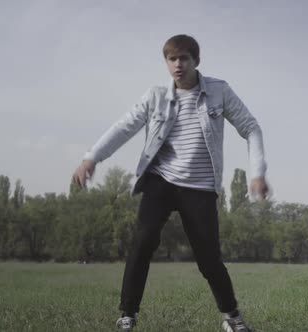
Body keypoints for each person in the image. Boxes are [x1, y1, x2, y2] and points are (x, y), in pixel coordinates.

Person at [71, 34, 268, 332]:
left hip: (200, 187)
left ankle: (232, 318)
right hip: (160, 181)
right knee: (142, 243)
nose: (178, 65)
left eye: (184, 58)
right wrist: (91, 158)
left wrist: (256, 174)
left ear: (196, 61)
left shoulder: (219, 91)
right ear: (166, 63)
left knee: (209, 259)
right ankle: (127, 316)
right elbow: (125, 126)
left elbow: (251, 127)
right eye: (172, 59)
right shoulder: (155, 96)